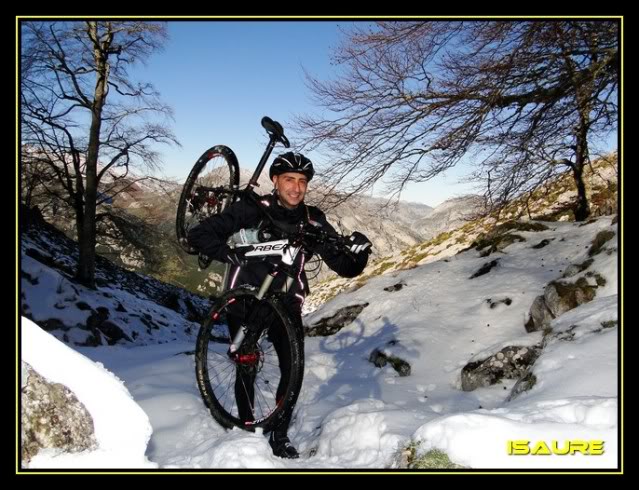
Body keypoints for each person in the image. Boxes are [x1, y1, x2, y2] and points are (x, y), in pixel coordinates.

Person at [187, 151, 372, 459]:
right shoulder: (252, 208)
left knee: (293, 368)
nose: (296, 188)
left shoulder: (312, 220)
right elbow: (200, 235)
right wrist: (232, 255)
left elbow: (344, 266)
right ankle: (247, 427)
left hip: (286, 300)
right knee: (246, 364)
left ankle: (280, 435)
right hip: (244, 296)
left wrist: (361, 252)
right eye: (289, 180)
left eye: (302, 181)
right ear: (275, 180)